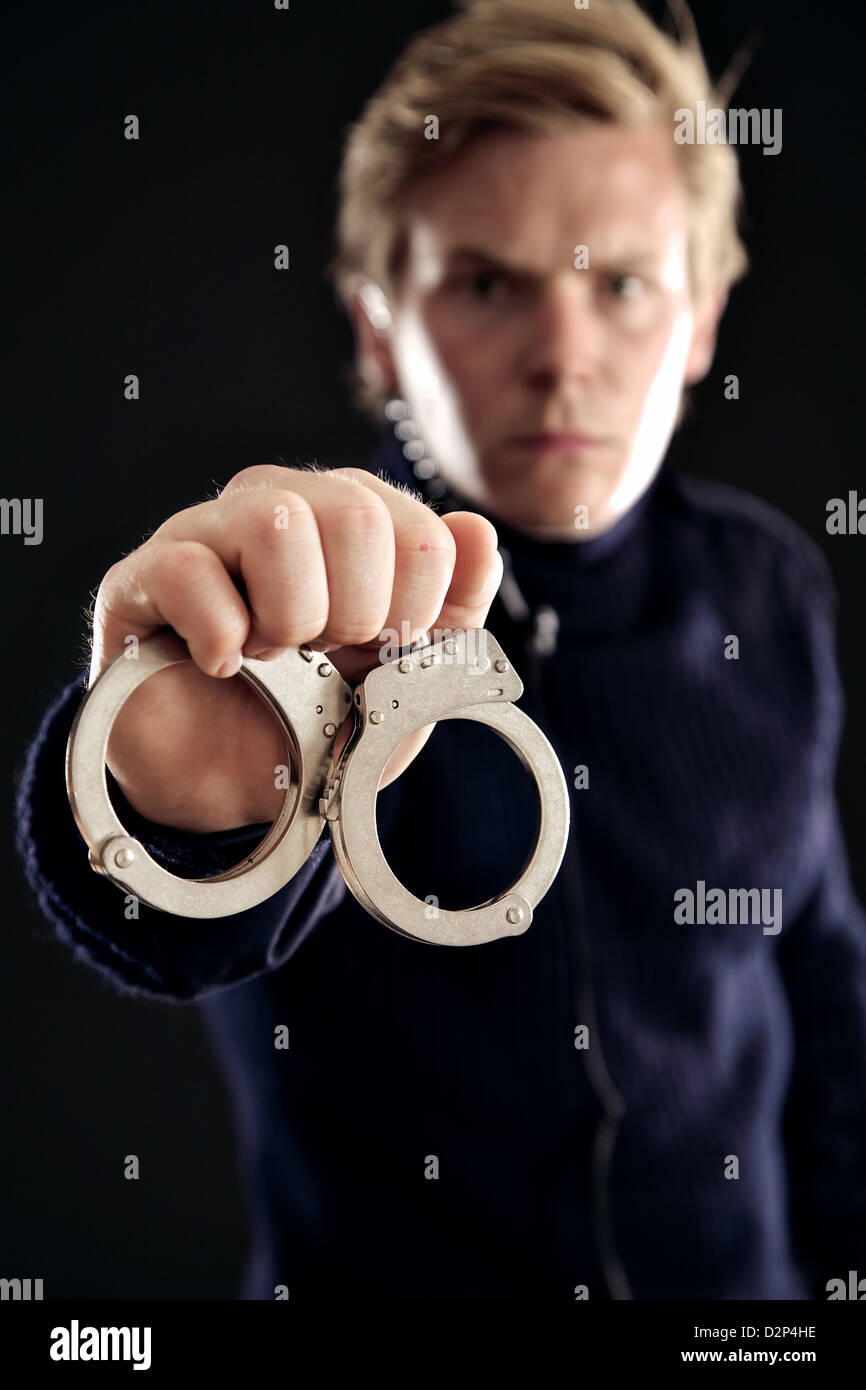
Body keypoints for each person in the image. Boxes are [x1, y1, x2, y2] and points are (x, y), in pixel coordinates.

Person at [15, 0, 866, 1301]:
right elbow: (174, 924)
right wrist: (172, 793)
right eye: (485, 282)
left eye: (623, 285)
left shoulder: (770, 589)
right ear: (375, 326)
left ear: (700, 320)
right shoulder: (295, 615)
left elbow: (821, 991)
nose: (562, 358)